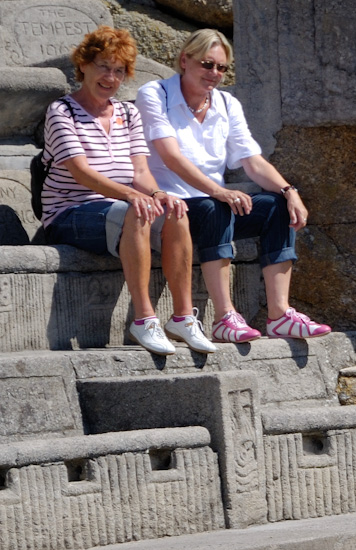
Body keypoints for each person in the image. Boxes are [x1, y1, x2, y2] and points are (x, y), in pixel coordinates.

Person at [134, 29, 330, 343]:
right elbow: (170, 155)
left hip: (214, 206)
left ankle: (280, 315)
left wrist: (289, 191)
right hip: (171, 211)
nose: (214, 73)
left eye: (222, 68)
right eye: (206, 64)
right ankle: (225, 317)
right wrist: (218, 190)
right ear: (185, 60)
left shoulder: (226, 103)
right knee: (216, 206)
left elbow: (252, 161)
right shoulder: (155, 94)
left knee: (275, 207)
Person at [41, 26, 213, 357]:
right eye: (104, 66)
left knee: (176, 209)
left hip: (120, 210)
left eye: (119, 70)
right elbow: (81, 172)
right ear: (84, 65)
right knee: (137, 208)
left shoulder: (128, 112)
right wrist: (133, 196)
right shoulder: (61, 111)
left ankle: (182, 318)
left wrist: (158, 194)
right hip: (69, 214)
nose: (111, 77)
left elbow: (140, 173)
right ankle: (144, 319)